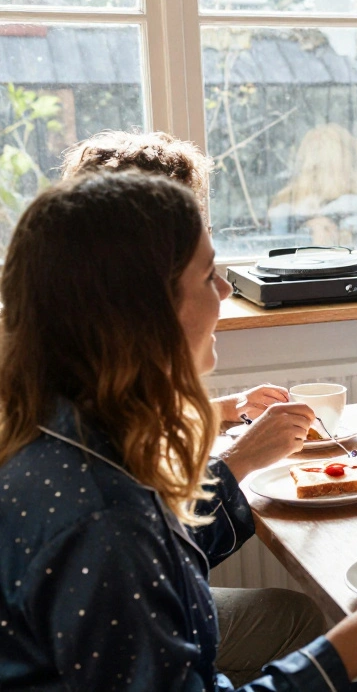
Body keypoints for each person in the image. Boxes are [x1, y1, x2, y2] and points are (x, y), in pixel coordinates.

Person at [0, 172, 357, 690]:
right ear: (144, 314)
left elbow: (169, 561)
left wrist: (240, 463)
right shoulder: (103, 518)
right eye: (207, 277)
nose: (225, 289)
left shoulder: (65, 433)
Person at [61, 129, 326, 685]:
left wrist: (225, 411)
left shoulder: (82, 371)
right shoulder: (100, 508)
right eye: (205, 268)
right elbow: (159, 541)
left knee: (294, 616)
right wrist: (240, 461)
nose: (226, 289)